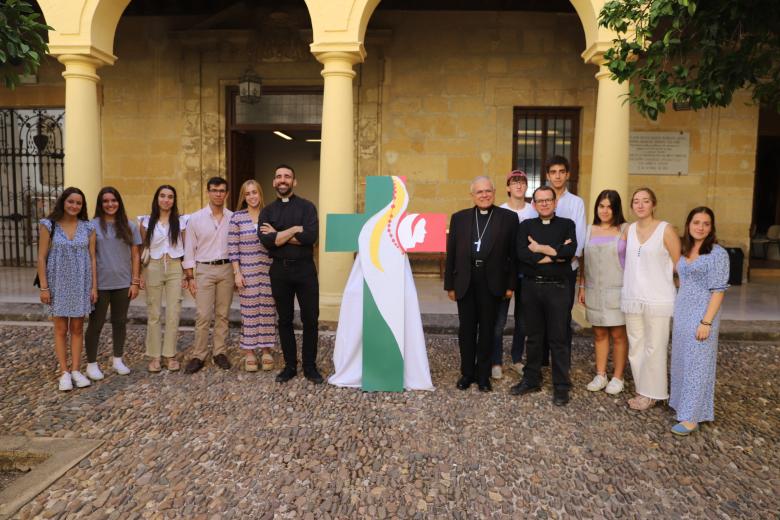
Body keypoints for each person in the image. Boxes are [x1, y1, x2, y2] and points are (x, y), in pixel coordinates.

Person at [445, 176, 518, 393]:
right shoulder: (459, 218)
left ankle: (483, 375)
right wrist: (450, 284)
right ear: (472, 195)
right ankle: (467, 373)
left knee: (488, 330)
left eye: (488, 191)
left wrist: (510, 285)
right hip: (466, 281)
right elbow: (452, 254)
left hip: (493, 282)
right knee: (466, 330)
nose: (484, 195)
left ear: (494, 192)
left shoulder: (508, 218)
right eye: (479, 192)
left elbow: (513, 255)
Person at [511, 185, 577, 406]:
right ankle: (532, 379)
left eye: (548, 200)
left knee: (558, 338)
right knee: (534, 336)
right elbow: (522, 255)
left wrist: (539, 249)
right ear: (534, 204)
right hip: (532, 288)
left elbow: (570, 253)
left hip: (558, 289)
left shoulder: (567, 225)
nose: (545, 203)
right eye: (540, 201)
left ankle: (561, 386)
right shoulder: (526, 226)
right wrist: (555, 253)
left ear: (555, 202)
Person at [259, 165, 322, 384]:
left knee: (310, 319)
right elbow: (268, 242)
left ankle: (310, 366)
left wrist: (279, 235)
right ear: (274, 182)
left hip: (305, 269)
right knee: (284, 320)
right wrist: (296, 230)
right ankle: (289, 366)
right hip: (279, 271)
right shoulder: (267, 212)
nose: (282, 180)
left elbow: (311, 237)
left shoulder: (307, 207)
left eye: (287, 176)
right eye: (278, 177)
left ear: (294, 182)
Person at [669, 207, 730, 435]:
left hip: (703, 314)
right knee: (683, 361)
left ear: (712, 227)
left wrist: (706, 322)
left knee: (698, 364)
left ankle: (691, 418)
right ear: (689, 224)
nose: (701, 227)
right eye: (696, 222)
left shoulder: (717, 254)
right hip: (683, 311)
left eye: (706, 223)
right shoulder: (686, 249)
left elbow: (718, 291)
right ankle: (682, 405)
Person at [621, 187, 681, 411]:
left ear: (653, 204)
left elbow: (679, 264)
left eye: (645, 201)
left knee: (654, 347)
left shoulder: (666, 230)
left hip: (658, 298)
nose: (640, 205)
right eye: (636, 201)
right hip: (632, 296)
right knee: (636, 345)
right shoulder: (628, 229)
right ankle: (642, 389)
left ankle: (653, 393)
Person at [37, 187, 97, 391]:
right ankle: (64, 372)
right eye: (71, 201)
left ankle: (76, 370)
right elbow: (41, 257)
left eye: (78, 203)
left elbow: (92, 258)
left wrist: (94, 287)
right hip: (58, 284)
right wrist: (44, 288)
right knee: (61, 329)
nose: (74, 206)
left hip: (81, 282)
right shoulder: (49, 225)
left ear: (82, 206)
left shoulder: (88, 227)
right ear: (63, 202)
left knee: (78, 328)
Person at [84, 187, 142, 380]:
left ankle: (118, 359)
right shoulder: (91, 226)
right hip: (100, 284)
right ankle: (91, 364)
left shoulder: (129, 225)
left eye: (113, 200)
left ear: (119, 202)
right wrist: (91, 285)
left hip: (123, 283)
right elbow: (89, 256)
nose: (110, 204)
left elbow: (135, 255)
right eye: (106, 201)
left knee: (120, 322)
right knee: (96, 324)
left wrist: (135, 281)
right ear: (100, 204)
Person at [578, 190, 628, 395]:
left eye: (609, 206)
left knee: (618, 334)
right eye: (601, 206)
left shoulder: (625, 229)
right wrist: (581, 285)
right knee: (598, 333)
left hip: (617, 288)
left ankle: (618, 376)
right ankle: (600, 374)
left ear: (616, 209)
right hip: (594, 289)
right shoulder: (589, 230)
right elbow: (582, 260)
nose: (605, 210)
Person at [183, 177, 234, 374]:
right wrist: (190, 276)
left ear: (227, 193)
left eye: (222, 190)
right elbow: (189, 249)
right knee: (203, 315)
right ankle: (199, 354)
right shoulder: (195, 218)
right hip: (204, 269)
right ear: (208, 192)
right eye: (214, 190)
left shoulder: (233, 217)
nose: (218, 194)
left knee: (223, 314)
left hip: (226, 269)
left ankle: (219, 352)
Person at [491, 170, 537, 380]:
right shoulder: (499, 211)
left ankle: (517, 358)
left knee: (523, 320)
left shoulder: (533, 211)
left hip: (526, 272)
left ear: (526, 187)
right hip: (504, 272)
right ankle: (496, 361)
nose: (519, 185)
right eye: (514, 182)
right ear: (508, 187)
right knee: (499, 320)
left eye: (522, 182)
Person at [229, 179, 277, 372]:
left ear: (260, 194)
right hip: (246, 271)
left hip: (268, 270)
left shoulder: (270, 215)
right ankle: (249, 352)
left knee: (267, 311)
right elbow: (232, 247)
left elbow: (277, 240)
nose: (252, 196)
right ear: (244, 197)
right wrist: (237, 272)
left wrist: (275, 231)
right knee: (249, 312)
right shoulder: (237, 218)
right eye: (248, 193)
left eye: (254, 192)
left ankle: (266, 350)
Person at [139, 185, 187, 373]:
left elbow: (186, 247)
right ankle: (154, 355)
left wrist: (188, 273)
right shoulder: (145, 221)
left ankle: (170, 354)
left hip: (175, 266)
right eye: (163, 196)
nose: (166, 200)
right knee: (154, 312)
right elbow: (142, 248)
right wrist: (140, 275)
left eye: (170, 197)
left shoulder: (181, 222)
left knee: (174, 311)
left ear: (174, 200)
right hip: (153, 266)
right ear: (157, 198)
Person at [543, 156, 586, 366]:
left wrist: (558, 254)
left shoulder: (576, 203)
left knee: (562, 317)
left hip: (566, 268)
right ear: (547, 175)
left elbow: (577, 241)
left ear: (567, 175)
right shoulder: (541, 200)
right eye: (553, 172)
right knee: (541, 316)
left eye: (561, 171)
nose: (557, 175)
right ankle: (542, 361)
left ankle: (562, 363)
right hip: (542, 267)